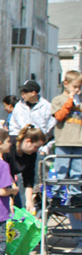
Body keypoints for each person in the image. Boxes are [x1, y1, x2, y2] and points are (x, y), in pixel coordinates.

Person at [0, 125, 45, 213]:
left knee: (18, 207)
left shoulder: (31, 154)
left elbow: (29, 178)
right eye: (36, 147)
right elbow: (2, 176)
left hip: (6, 177)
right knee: (1, 205)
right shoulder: (7, 146)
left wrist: (29, 201)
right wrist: (9, 198)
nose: (36, 150)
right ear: (28, 141)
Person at [50, 70, 82, 207]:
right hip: (63, 141)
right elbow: (59, 116)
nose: (77, 90)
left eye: (79, 87)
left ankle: (75, 195)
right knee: (61, 169)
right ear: (66, 84)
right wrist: (70, 100)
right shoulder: (58, 100)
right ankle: (56, 196)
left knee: (78, 170)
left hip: (79, 141)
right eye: (75, 87)